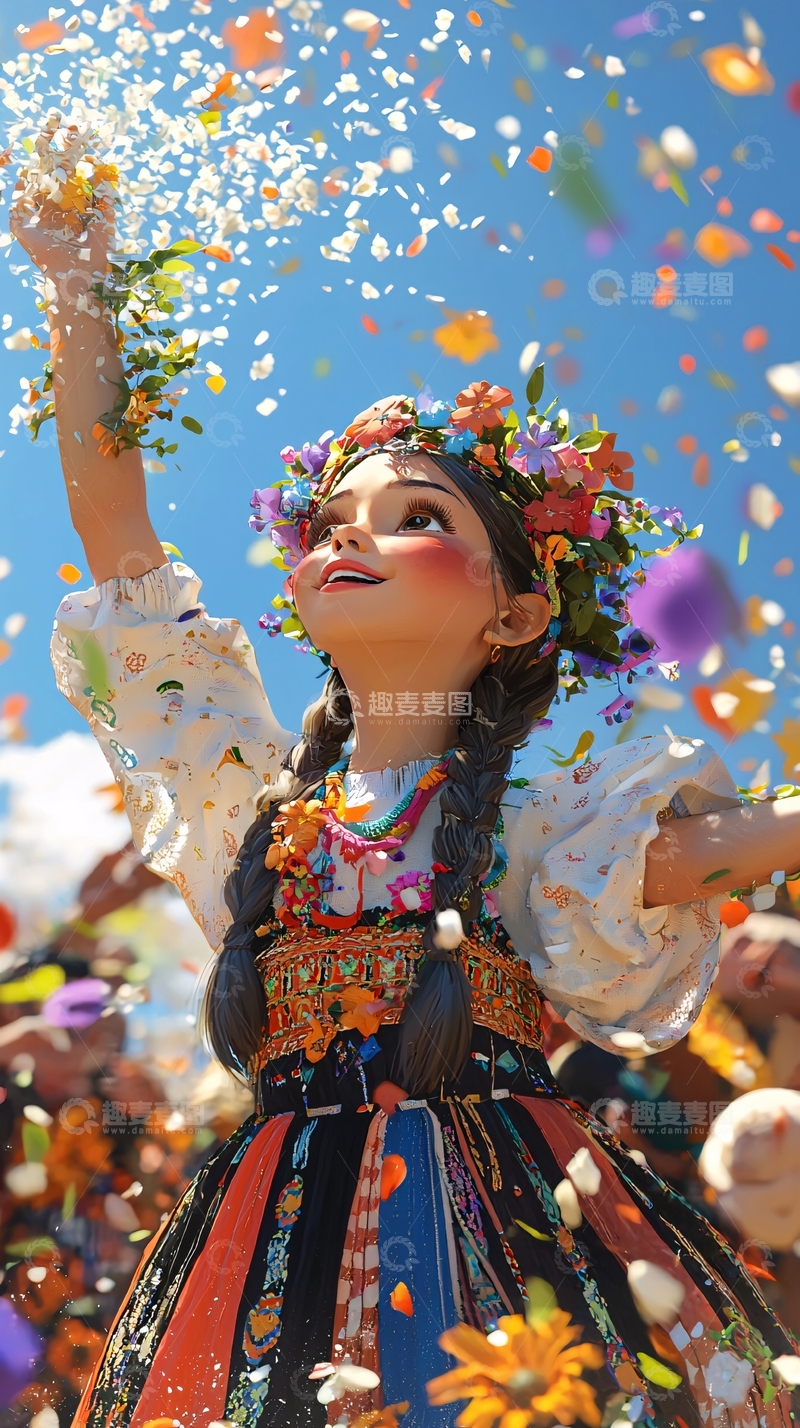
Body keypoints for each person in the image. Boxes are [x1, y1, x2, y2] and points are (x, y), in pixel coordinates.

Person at [13, 165, 800, 1428]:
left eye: (413, 514)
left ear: (518, 609)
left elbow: (693, 857)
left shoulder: (543, 805)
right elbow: (117, 535)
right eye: (327, 519)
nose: (347, 535)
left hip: (505, 1221)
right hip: (270, 1231)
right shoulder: (245, 796)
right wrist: (76, 286)